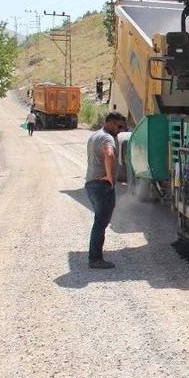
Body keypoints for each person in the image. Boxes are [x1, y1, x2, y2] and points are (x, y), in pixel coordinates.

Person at [84, 111, 126, 269]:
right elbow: (109, 154)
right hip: (102, 186)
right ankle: (95, 259)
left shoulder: (95, 135)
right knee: (100, 223)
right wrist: (109, 177)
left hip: (91, 184)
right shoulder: (107, 138)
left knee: (99, 222)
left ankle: (95, 257)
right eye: (119, 126)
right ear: (110, 123)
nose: (120, 130)